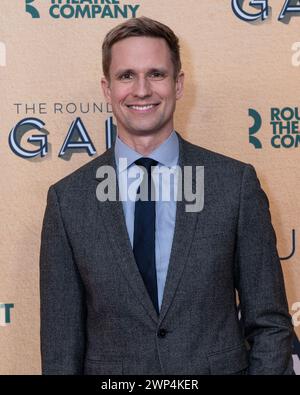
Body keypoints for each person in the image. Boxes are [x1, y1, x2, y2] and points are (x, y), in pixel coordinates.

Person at [40, 16, 294, 375]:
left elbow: (270, 325)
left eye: (156, 74)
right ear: (106, 88)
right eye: (126, 75)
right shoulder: (68, 201)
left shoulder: (234, 185)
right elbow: (60, 350)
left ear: (178, 85)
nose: (141, 89)